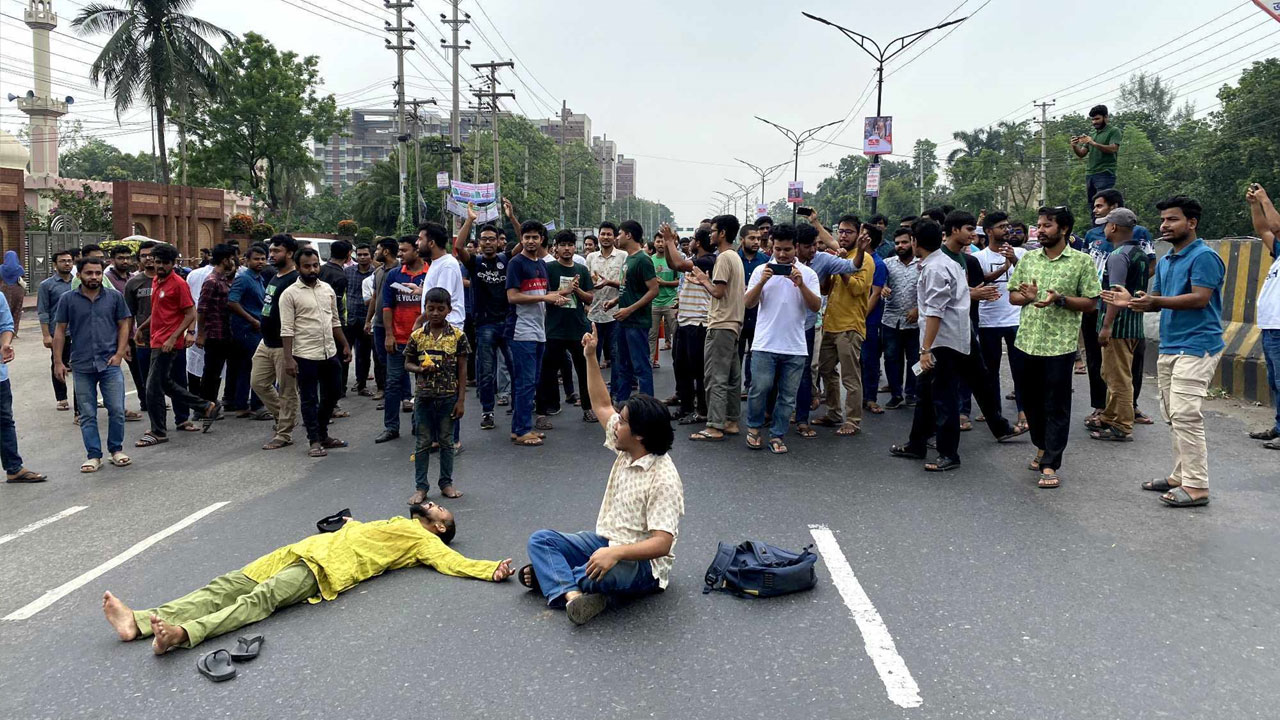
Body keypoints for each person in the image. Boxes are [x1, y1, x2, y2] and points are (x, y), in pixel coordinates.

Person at [101, 503, 514, 653]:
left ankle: (182, 634)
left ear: (439, 528)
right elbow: (370, 533)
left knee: (256, 601)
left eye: (442, 512)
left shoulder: (426, 543)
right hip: (303, 549)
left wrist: (489, 568)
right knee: (224, 586)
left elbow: (453, 562)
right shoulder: (397, 522)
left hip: (323, 569)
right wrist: (352, 522)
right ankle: (137, 622)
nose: (436, 506)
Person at [521, 323, 682, 626]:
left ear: (641, 436)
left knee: (600, 569)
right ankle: (572, 596)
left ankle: (554, 580)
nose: (615, 424)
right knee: (541, 541)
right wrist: (591, 356)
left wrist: (616, 554)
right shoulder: (628, 446)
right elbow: (601, 403)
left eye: (622, 422)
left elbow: (662, 544)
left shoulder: (663, 478)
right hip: (605, 541)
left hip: (642, 566)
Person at [1104, 196, 1223, 507]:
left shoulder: (1204, 257)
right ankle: (1180, 475)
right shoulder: (1168, 258)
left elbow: (1199, 298)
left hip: (1198, 345)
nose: (1164, 226)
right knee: (1173, 415)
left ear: (1192, 223)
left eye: (1172, 219)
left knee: (1186, 415)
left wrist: (1153, 302)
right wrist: (1130, 300)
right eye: (1163, 220)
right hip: (1171, 345)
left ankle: (1196, 486)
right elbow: (1152, 297)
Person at [1008, 206, 1103, 488]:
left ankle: (1050, 463)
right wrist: (1027, 297)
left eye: (1047, 225)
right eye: (1039, 225)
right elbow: (1013, 296)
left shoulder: (1081, 262)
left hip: (1060, 346)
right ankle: (1041, 445)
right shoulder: (1028, 259)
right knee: (1031, 402)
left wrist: (1060, 299)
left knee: (1056, 405)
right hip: (1026, 342)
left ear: (1063, 229)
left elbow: (1091, 302)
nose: (1040, 230)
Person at [888, 219, 969, 471]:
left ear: (915, 242)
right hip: (940, 341)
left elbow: (935, 312)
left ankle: (949, 454)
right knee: (925, 396)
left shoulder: (935, 268)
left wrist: (925, 350)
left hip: (942, 344)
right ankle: (916, 444)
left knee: (943, 399)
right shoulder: (939, 263)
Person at [743, 224, 821, 454]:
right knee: (759, 389)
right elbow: (748, 303)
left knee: (788, 397)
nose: (782, 254)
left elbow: (815, 306)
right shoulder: (760, 270)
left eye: (787, 249)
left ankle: (778, 435)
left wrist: (801, 284)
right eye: (778, 249)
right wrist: (762, 282)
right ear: (771, 247)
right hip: (765, 343)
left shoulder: (808, 274)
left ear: (795, 248)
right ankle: (754, 429)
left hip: (795, 346)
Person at [665, 215, 743, 442]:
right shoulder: (733, 256)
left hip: (720, 323)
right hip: (732, 322)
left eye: (714, 230)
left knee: (714, 376)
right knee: (730, 376)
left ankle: (715, 425)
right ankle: (730, 420)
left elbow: (718, 292)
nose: (711, 234)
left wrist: (703, 281)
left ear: (723, 233)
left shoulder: (722, 259)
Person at [134, 243, 219, 448]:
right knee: (163, 383)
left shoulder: (178, 283)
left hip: (168, 342)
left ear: (173, 263)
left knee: (153, 387)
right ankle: (206, 406)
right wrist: (142, 328)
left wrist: (175, 337)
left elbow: (190, 313)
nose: (160, 266)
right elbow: (157, 311)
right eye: (157, 262)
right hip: (155, 338)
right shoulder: (156, 280)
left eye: (165, 262)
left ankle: (158, 431)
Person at [52, 256, 132, 472]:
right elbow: (60, 331)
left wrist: (119, 353)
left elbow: (124, 324)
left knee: (116, 409)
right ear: (80, 275)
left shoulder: (114, 297)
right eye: (89, 273)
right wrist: (58, 362)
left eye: (98, 273)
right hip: (82, 365)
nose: (94, 277)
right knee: (87, 414)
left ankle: (116, 450)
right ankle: (94, 455)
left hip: (110, 363)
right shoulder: (68, 299)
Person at [1085, 188, 1157, 425]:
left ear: (1114, 227)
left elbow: (1116, 294)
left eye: (1106, 224)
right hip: (1133, 323)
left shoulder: (1117, 256)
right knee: (1120, 374)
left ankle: (1120, 424)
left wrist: (1106, 326)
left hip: (1118, 326)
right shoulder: (1138, 253)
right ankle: (1111, 415)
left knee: (1117, 377)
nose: (1103, 228)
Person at [280, 248, 351, 459]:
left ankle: (323, 434)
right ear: (298, 267)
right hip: (304, 355)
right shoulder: (290, 294)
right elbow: (286, 329)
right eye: (307, 266)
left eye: (315, 265)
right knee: (310, 399)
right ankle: (314, 440)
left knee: (334, 393)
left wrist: (345, 345)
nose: (312, 269)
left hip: (329, 352)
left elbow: (335, 321)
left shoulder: (327, 289)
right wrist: (288, 358)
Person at [506, 220, 569, 446]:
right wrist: (545, 297)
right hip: (521, 331)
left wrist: (560, 295)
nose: (531, 241)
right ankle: (522, 430)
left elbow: (543, 294)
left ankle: (519, 428)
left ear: (542, 239)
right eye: (527, 237)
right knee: (525, 382)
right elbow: (513, 296)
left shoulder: (541, 264)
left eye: (535, 237)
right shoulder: (516, 263)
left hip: (539, 330)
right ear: (521, 239)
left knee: (531, 381)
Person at [406, 287, 470, 502]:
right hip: (423, 397)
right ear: (424, 309)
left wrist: (461, 400)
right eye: (430, 308)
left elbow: (462, 369)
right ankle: (421, 486)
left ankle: (446, 483)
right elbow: (408, 362)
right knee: (422, 442)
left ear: (449, 310)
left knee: (446, 441)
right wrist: (420, 369)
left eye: (440, 309)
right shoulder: (417, 336)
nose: (435, 313)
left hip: (448, 397)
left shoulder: (458, 337)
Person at [814, 216, 876, 437]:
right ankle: (833, 412)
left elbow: (859, 290)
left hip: (850, 326)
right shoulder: (837, 256)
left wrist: (841, 268)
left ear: (858, 234)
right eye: (840, 231)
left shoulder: (865, 259)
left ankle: (853, 420)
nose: (843, 235)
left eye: (848, 232)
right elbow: (825, 290)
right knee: (826, 369)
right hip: (830, 323)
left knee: (850, 376)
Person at [971, 212, 1027, 430]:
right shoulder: (979, 257)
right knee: (990, 371)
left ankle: (1024, 410)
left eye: (1008, 226)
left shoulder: (1021, 253)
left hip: (1016, 319)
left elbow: (1031, 277)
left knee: (1020, 369)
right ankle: (994, 412)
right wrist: (1003, 268)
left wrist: (1013, 260)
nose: (1007, 230)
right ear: (988, 231)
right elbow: (980, 281)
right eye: (1001, 226)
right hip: (989, 321)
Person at [458, 222, 513, 431]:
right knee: (486, 371)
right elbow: (459, 247)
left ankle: (517, 405)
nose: (488, 243)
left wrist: (512, 218)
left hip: (507, 323)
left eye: (492, 239)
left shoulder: (506, 259)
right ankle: (487, 411)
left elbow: (521, 244)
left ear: (498, 242)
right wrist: (469, 221)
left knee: (514, 367)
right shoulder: (474, 262)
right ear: (479, 243)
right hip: (484, 325)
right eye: (484, 239)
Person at [538, 230, 595, 422]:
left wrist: (577, 290)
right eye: (563, 245)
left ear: (574, 247)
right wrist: (566, 290)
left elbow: (590, 298)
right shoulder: (549, 268)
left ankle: (588, 408)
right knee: (548, 371)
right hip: (554, 328)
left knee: (584, 370)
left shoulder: (582, 269)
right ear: (555, 247)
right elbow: (544, 294)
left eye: (570, 245)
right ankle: (547, 408)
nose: (567, 248)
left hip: (578, 328)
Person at [251, 235, 301, 451]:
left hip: (284, 345)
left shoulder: (295, 280)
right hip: (266, 342)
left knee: (287, 390)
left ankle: (284, 433)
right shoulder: (274, 276)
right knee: (258, 382)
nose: (271, 255)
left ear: (289, 253)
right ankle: (284, 417)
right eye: (270, 251)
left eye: (276, 251)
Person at [376, 236, 428, 444]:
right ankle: (391, 427)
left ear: (416, 251)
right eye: (399, 250)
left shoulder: (430, 273)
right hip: (398, 340)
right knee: (393, 383)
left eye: (404, 250)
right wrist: (389, 334)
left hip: (423, 340)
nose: (400, 254)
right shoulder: (395, 275)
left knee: (422, 384)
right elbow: (387, 306)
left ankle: (419, 424)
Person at [666, 226, 715, 424]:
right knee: (681, 367)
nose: (691, 242)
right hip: (684, 320)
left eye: (693, 239)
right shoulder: (694, 261)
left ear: (699, 243)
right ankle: (685, 407)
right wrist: (671, 245)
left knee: (698, 370)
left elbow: (677, 263)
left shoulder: (707, 261)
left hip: (699, 322)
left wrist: (670, 241)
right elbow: (673, 264)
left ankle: (702, 410)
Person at [606, 220, 659, 406]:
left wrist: (629, 309)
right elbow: (629, 288)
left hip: (636, 322)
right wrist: (615, 301)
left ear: (629, 235)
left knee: (641, 366)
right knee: (623, 365)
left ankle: (647, 407)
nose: (616, 237)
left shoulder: (643, 259)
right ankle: (622, 403)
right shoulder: (628, 259)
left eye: (618, 233)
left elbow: (653, 290)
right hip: (624, 321)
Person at [1246, 184, 1280, 449]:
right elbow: (1263, 230)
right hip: (1271, 327)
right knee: (1274, 381)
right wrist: (1254, 205)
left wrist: (1265, 199)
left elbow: (1276, 227)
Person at [880, 227, 921, 410]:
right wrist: (882, 289)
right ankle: (896, 394)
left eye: (904, 242)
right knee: (891, 358)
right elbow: (878, 285)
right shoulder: (887, 264)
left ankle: (912, 393)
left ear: (913, 242)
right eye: (897, 243)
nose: (901, 246)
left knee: (915, 359)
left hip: (915, 322)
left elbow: (930, 292)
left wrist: (919, 309)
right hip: (891, 319)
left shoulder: (923, 265)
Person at [227, 244, 268, 418]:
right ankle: (256, 406)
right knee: (258, 367)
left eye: (263, 259)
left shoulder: (259, 278)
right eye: (256, 259)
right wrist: (251, 320)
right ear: (247, 260)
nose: (260, 262)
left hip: (257, 329)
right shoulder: (243, 278)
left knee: (247, 368)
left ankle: (242, 404)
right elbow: (232, 302)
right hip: (246, 330)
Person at [196, 244, 237, 405]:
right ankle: (205, 405)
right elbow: (202, 308)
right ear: (225, 259)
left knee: (217, 371)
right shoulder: (211, 281)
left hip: (224, 332)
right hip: (214, 334)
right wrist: (201, 334)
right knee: (211, 372)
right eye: (231, 258)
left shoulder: (223, 280)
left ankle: (211, 403)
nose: (233, 262)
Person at [124, 242, 160, 421]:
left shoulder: (170, 279)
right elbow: (128, 314)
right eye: (144, 255)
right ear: (139, 259)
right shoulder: (133, 283)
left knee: (168, 377)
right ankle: (150, 406)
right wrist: (126, 341)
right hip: (142, 339)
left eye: (152, 255)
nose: (149, 258)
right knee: (144, 376)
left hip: (168, 338)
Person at [37, 249, 76, 412]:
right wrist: (46, 335)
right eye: (63, 261)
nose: (67, 263)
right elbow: (43, 311)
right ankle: (61, 398)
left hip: (78, 332)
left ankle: (84, 397)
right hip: (59, 333)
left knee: (81, 366)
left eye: (69, 260)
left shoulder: (78, 282)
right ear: (55, 265)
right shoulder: (47, 285)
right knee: (58, 363)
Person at [586, 221, 626, 368]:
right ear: (598, 237)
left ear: (615, 237)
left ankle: (616, 390)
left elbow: (627, 285)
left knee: (616, 354)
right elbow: (587, 283)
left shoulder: (623, 256)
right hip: (594, 313)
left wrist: (609, 282)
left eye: (609, 234)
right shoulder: (591, 257)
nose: (606, 237)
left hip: (616, 312)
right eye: (603, 234)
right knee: (592, 353)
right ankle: (593, 389)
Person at [738, 223, 770, 394]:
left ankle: (750, 387)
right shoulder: (734, 259)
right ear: (742, 240)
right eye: (752, 238)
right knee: (736, 355)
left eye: (758, 238)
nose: (756, 241)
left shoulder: (766, 261)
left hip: (759, 316)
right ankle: (735, 387)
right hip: (738, 315)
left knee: (755, 354)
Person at [366, 237, 399, 401]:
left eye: (378, 249)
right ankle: (386, 392)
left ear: (386, 251)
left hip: (395, 323)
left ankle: (401, 395)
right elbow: (374, 297)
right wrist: (368, 320)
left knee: (397, 361)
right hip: (378, 323)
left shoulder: (400, 270)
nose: (375, 253)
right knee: (381, 360)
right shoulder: (378, 272)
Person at [1072, 104, 1122, 207]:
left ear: (1106, 117)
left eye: (1097, 119)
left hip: (1105, 173)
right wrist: (1074, 146)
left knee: (1103, 204)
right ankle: (1095, 224)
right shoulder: (1092, 134)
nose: (1094, 122)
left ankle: (1109, 223)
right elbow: (1082, 154)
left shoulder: (1114, 131)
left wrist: (1093, 143)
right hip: (1090, 174)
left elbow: (1113, 148)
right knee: (1092, 205)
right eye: (1093, 119)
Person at [344, 243, 376, 397]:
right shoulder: (348, 272)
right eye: (360, 254)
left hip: (367, 319)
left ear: (371, 256)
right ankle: (340, 387)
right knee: (345, 352)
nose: (362, 257)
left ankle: (362, 384)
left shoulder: (376, 273)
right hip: (350, 317)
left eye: (366, 254)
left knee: (363, 354)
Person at [648, 232, 680, 366]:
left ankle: (679, 362)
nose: (660, 244)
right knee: (651, 335)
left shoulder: (673, 259)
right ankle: (650, 361)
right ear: (654, 243)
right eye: (658, 241)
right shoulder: (649, 260)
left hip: (670, 302)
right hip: (654, 302)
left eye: (663, 241)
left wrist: (664, 283)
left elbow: (679, 282)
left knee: (676, 334)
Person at [0, 250, 24, 338]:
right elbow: (22, 275)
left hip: (4, 289)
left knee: (5, 310)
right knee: (17, 310)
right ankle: (14, 331)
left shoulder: (1, 268)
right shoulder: (19, 268)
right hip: (17, 290)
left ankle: (4, 332)